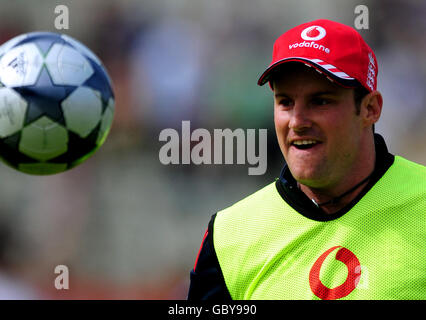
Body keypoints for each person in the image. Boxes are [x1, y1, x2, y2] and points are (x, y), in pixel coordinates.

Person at [187, 19, 426, 300]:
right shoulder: (228, 235)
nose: (297, 122)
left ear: (370, 109)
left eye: (320, 101)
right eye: (285, 102)